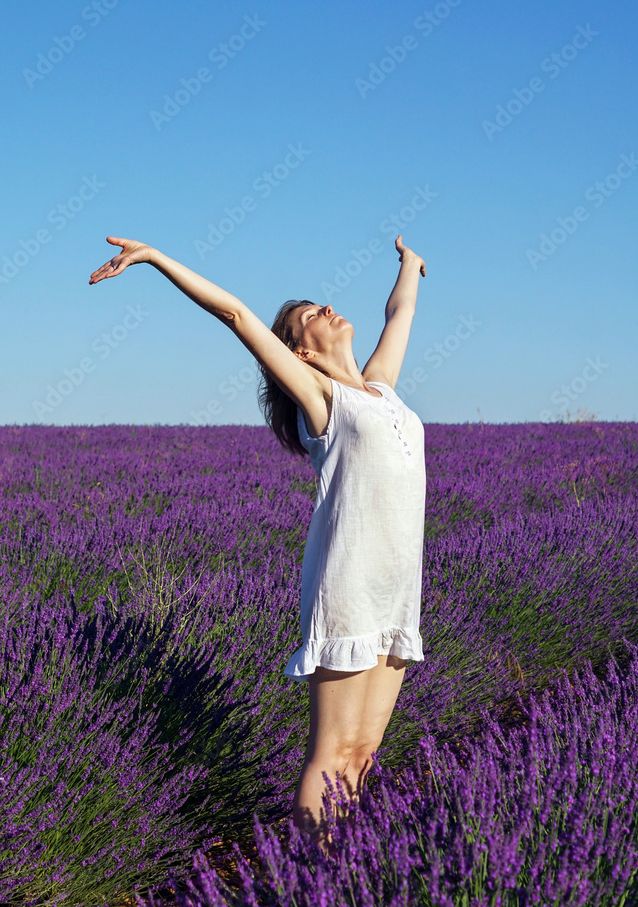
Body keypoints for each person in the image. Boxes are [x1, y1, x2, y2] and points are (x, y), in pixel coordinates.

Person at [89, 234, 427, 858]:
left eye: (323, 304)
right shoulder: (323, 401)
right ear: (302, 352)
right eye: (311, 315)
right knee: (331, 751)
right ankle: (308, 874)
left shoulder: (381, 388)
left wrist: (410, 263)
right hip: (350, 587)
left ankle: (341, 869)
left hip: (397, 590)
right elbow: (236, 314)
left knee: (363, 752)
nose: (328, 308)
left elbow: (400, 311)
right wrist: (155, 258)